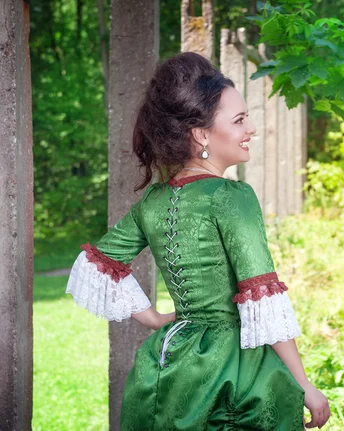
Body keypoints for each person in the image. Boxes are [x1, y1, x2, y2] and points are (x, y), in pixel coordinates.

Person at [65, 52, 330, 430]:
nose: (251, 129)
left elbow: (97, 266)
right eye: (239, 120)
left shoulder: (153, 201)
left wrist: (156, 319)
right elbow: (261, 293)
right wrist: (304, 384)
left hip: (168, 363)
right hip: (234, 367)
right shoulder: (232, 197)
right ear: (201, 134)